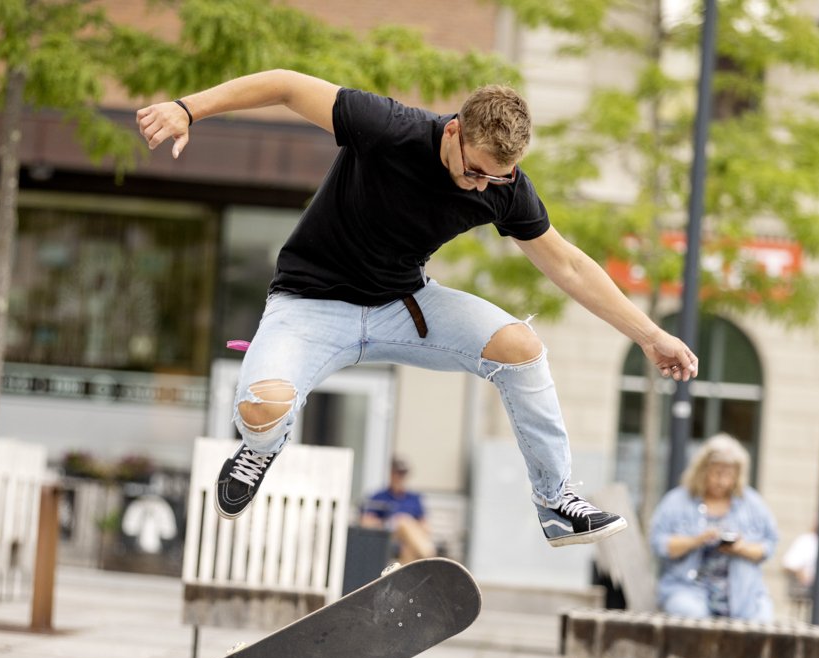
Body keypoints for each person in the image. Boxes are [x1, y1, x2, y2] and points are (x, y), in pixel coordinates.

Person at [136, 72, 698, 547]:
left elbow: (569, 266)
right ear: (452, 131)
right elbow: (285, 85)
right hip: (309, 305)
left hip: (404, 305)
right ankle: (262, 448)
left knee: (521, 348)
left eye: (496, 178)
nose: (482, 188)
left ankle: (555, 502)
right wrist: (189, 109)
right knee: (263, 407)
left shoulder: (504, 187)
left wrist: (650, 336)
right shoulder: (388, 128)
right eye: (474, 171)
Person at [650, 434, 791, 658]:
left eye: (729, 474)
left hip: (741, 590)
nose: (722, 481)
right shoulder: (677, 501)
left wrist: (740, 547)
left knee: (762, 616)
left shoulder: (751, 503)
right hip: (689, 587)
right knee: (691, 613)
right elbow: (659, 544)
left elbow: (769, 546)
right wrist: (698, 539)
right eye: (717, 473)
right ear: (703, 470)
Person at [361, 457, 436, 564]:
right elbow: (365, 522)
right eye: (397, 474)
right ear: (391, 474)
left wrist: (408, 527)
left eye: (402, 475)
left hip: (407, 541)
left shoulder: (414, 498)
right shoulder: (379, 496)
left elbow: (425, 526)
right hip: (387, 538)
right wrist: (390, 522)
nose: (399, 478)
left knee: (407, 546)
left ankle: (407, 580)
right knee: (402, 521)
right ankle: (430, 556)